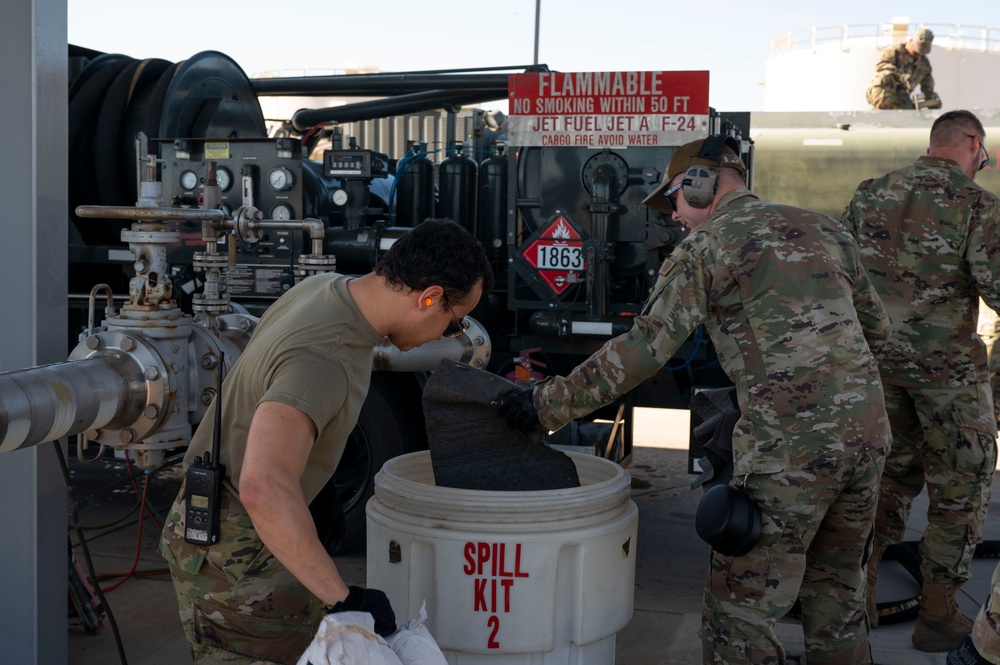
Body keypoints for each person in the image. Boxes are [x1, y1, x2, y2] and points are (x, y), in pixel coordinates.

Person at [500, 135, 893, 664]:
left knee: (739, 613)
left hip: (791, 450)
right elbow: (879, 330)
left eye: (675, 203)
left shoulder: (708, 246)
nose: (676, 219)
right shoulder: (826, 228)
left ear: (699, 184)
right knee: (838, 595)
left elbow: (643, 350)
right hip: (868, 438)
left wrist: (546, 405)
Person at [159, 218, 494, 664]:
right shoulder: (325, 357)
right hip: (241, 555)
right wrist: (343, 598)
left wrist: (314, 492)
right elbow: (263, 486)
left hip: (222, 521)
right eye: (453, 323)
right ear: (428, 298)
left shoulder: (325, 289)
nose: (447, 337)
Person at [841, 109, 1000, 653]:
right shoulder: (977, 205)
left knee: (881, 482)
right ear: (973, 144)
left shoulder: (869, 194)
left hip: (878, 371)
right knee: (961, 486)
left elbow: (842, 278)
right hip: (947, 379)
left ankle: (851, 603)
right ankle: (936, 616)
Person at [866, 27, 939, 109]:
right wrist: (902, 77)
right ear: (911, 41)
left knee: (908, 112)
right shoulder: (893, 51)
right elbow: (881, 65)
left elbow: (927, 84)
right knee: (885, 76)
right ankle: (882, 107)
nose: (919, 55)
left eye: (922, 52)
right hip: (883, 92)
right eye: (917, 51)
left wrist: (933, 100)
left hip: (902, 97)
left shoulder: (924, 63)